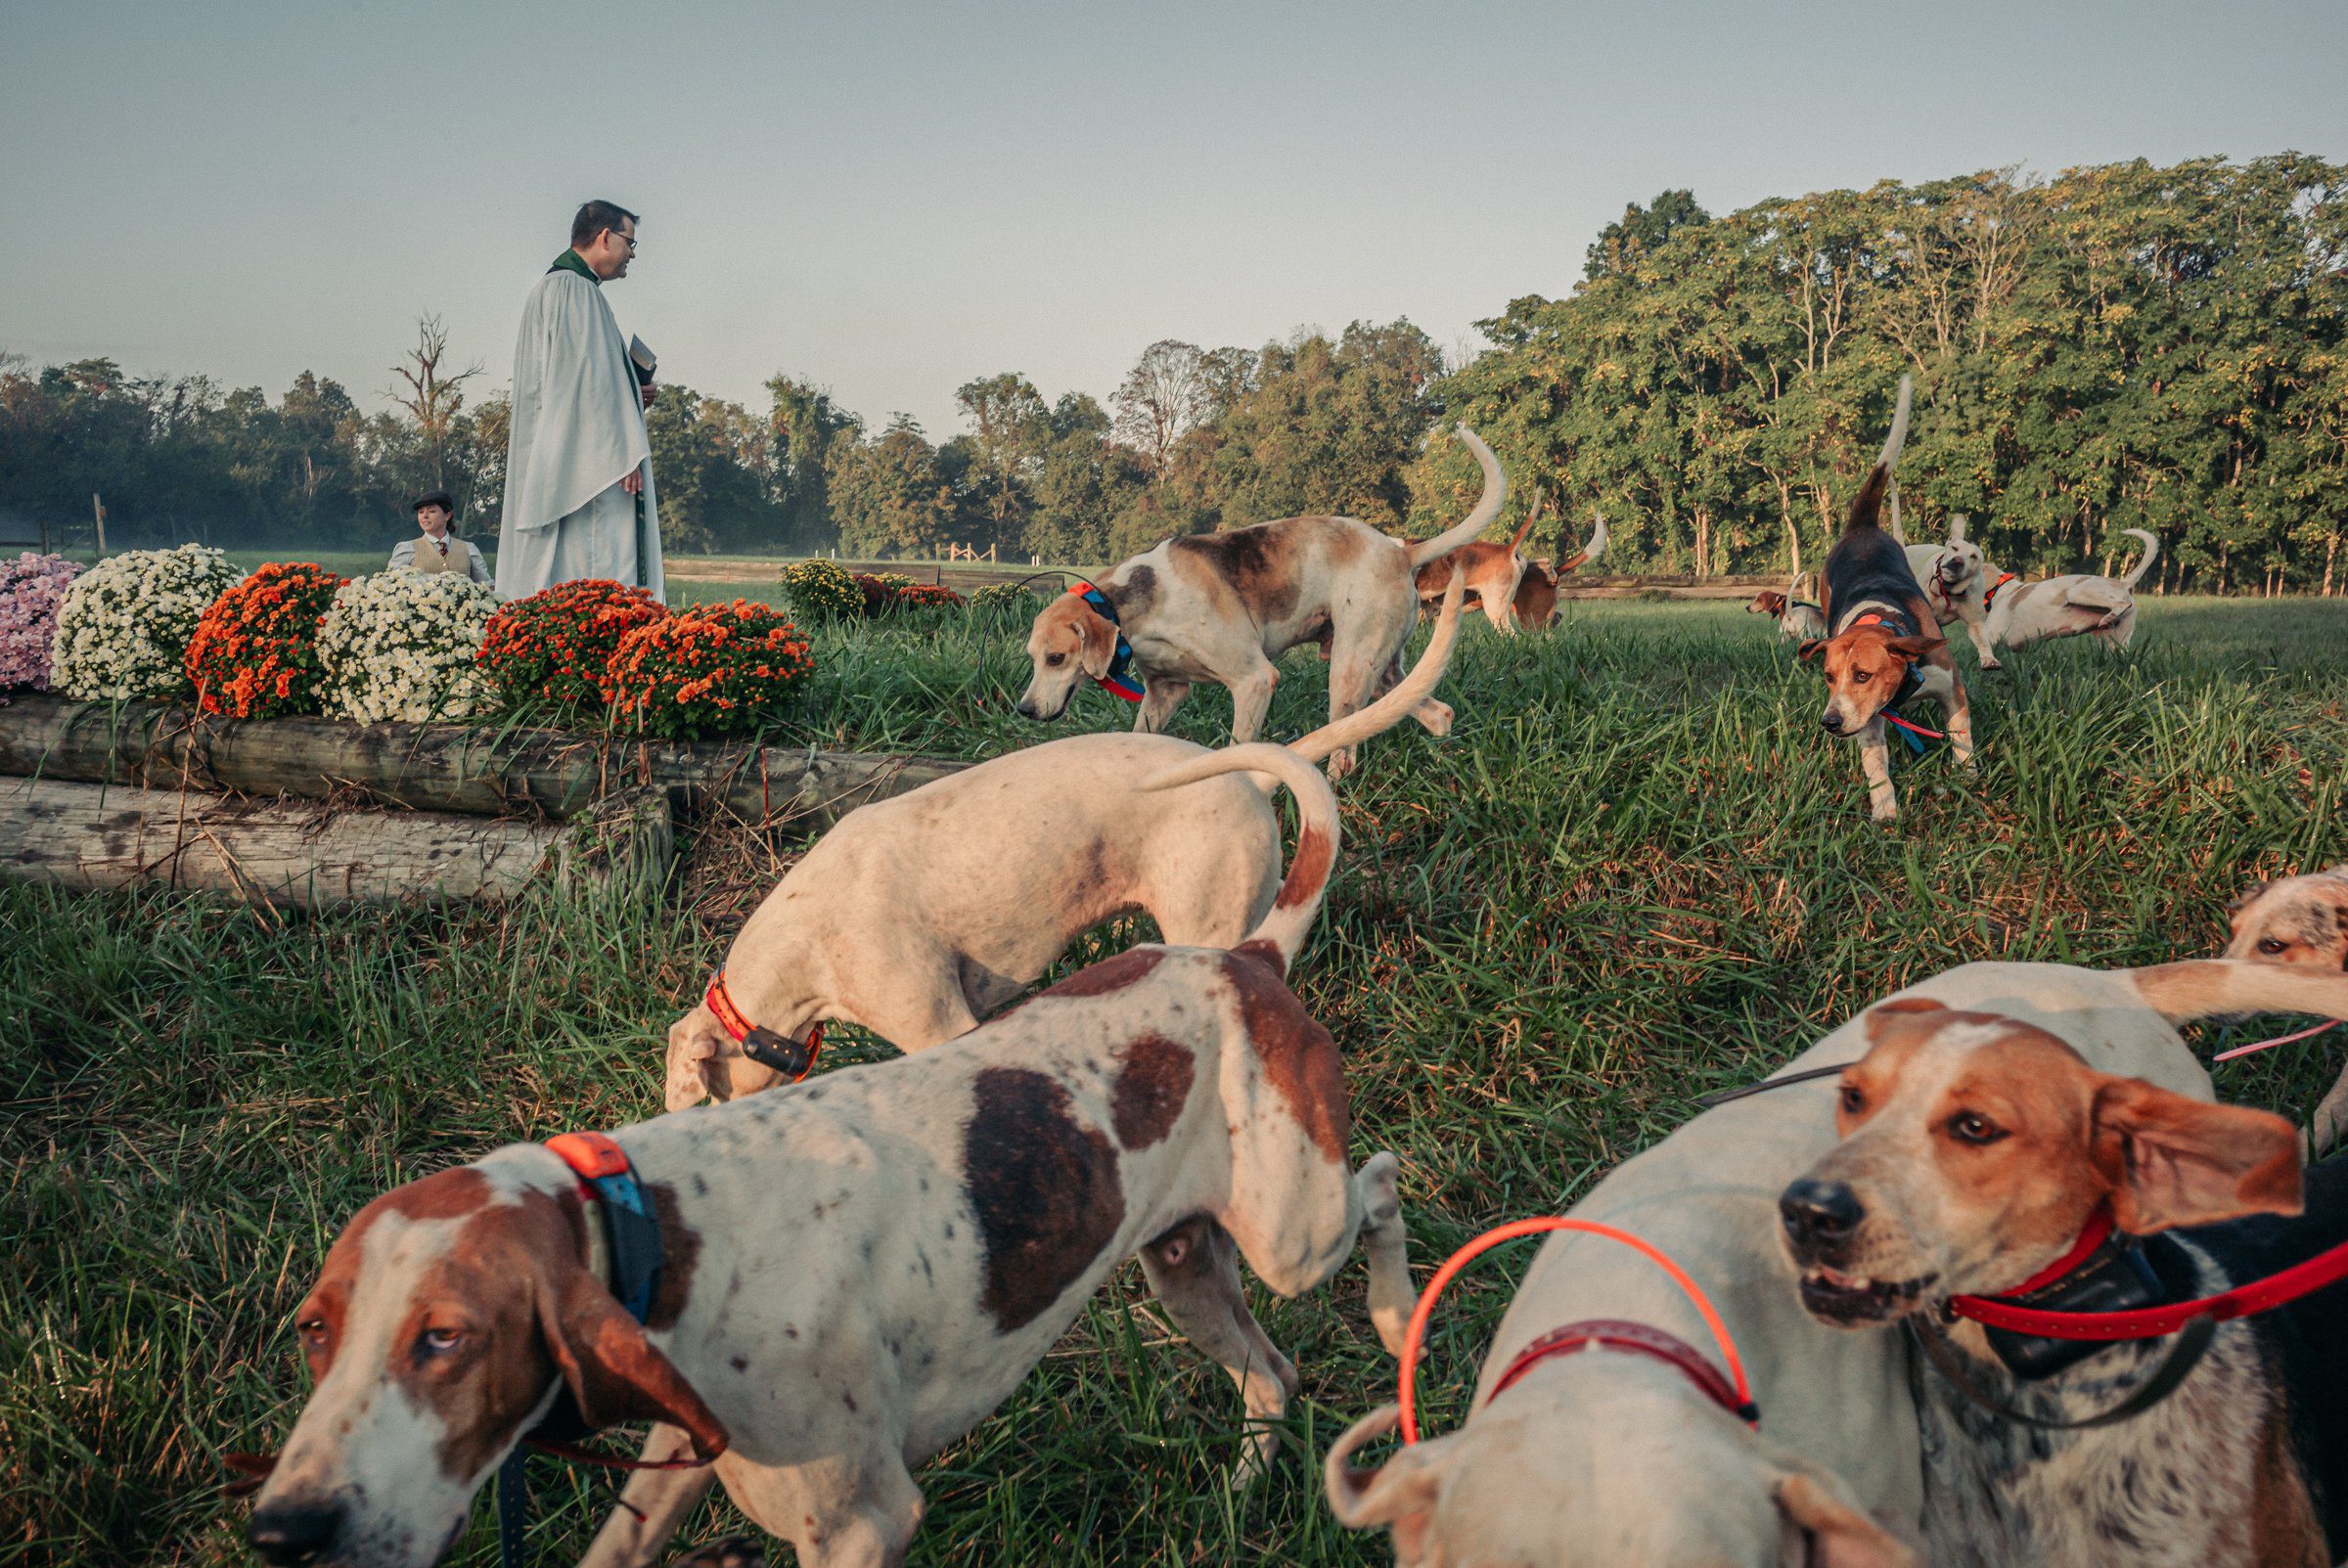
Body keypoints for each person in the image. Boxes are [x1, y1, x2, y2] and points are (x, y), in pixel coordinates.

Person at [494, 199, 663, 601]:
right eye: (630, 244)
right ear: (604, 237)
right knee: (597, 557)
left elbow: (572, 381)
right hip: (593, 468)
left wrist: (632, 396)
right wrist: (624, 448)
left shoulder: (551, 289)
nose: (632, 256)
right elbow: (587, 381)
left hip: (565, 454)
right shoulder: (576, 291)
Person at [387, 489, 492, 584]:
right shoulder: (407, 549)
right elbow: (391, 585)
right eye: (421, 512)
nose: (425, 516)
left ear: (447, 515)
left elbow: (486, 586)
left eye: (432, 511)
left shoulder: (469, 549)